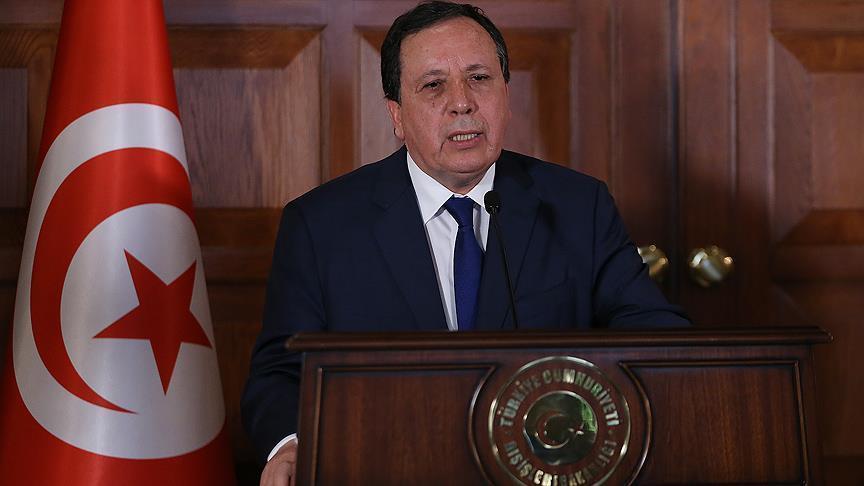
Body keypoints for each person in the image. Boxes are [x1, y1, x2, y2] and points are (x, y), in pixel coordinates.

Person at [241, 1, 690, 484]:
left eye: (479, 78)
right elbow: (280, 372)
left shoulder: (579, 206)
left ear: (506, 94)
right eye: (434, 85)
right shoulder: (321, 225)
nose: (462, 102)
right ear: (396, 113)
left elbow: (657, 342)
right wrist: (290, 444)